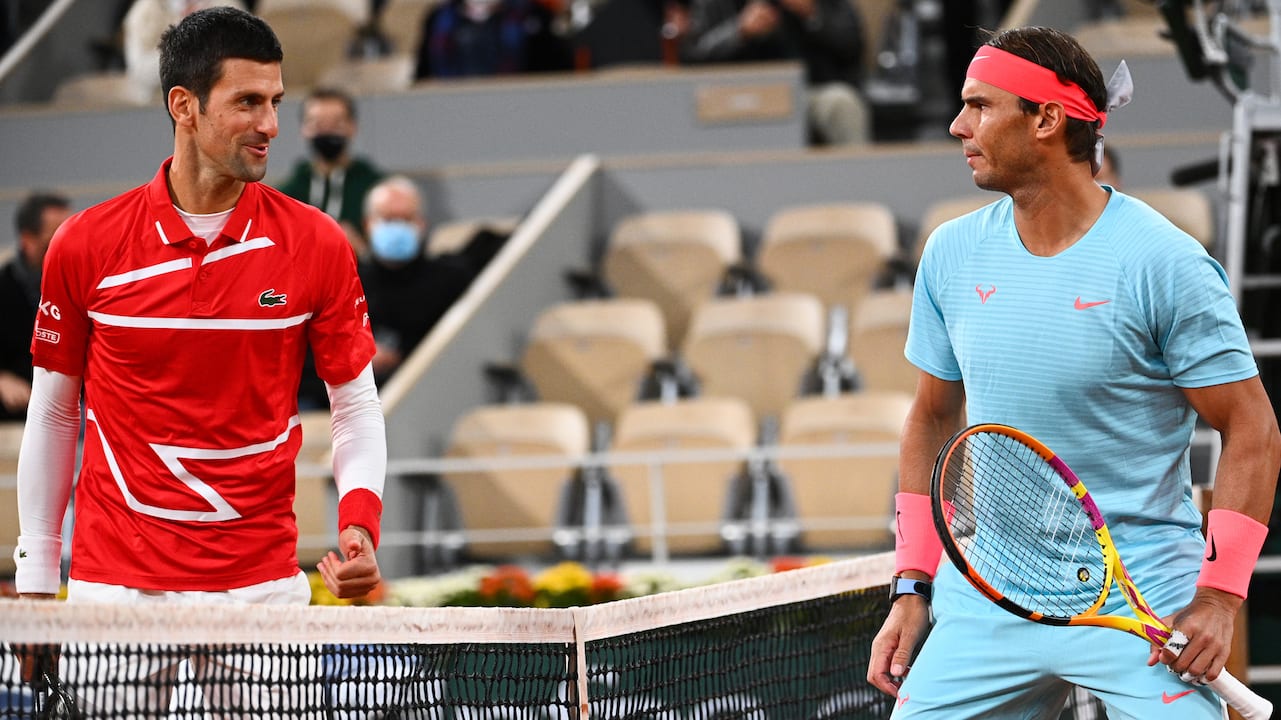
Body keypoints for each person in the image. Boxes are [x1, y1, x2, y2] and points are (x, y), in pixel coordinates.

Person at [868, 26, 1280, 718]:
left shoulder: (1165, 263)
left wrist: (1217, 596)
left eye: (979, 106)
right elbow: (931, 417)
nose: (956, 125)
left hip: (1142, 588)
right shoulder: (948, 253)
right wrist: (913, 584)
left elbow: (1251, 429)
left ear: (1046, 120)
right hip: (991, 587)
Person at [14, 7, 386, 713]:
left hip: (261, 584)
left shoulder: (317, 243)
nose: (271, 125)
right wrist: (36, 577)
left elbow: (356, 404)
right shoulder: (85, 244)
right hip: (115, 585)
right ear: (182, 106)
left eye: (276, 102)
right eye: (247, 102)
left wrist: (359, 521)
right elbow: (57, 410)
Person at [682, 0, 868, 146]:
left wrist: (812, 14)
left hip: (807, 92)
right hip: (734, 95)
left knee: (841, 103)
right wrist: (739, 32)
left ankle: (859, 188)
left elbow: (853, 44)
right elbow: (692, 56)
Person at [275, 87, 384, 256]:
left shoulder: (377, 190)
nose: (326, 132)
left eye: (336, 124)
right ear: (303, 129)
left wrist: (362, 250)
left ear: (352, 127)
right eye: (317, 124)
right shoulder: (285, 196)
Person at [0, 192, 71, 422]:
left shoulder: (80, 284)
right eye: (56, 238)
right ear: (28, 240)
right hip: (24, 409)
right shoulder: (4, 287)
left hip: (74, 404)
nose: (69, 246)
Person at [122, 0, 248, 103]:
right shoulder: (146, 11)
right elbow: (139, 74)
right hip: (157, 107)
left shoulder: (227, 6)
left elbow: (246, 59)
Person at [414, 0, 573, 80]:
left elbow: (559, 76)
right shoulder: (439, 19)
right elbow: (422, 77)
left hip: (518, 111)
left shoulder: (534, 17)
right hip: (451, 111)